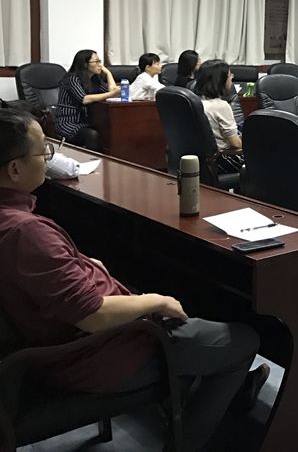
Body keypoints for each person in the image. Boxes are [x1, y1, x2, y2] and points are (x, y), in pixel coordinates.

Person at [0, 109, 268, 450]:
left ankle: (222, 392)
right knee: (243, 339)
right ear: (15, 169)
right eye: (43, 152)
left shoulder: (15, 222)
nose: (49, 158)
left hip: (71, 340)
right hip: (98, 354)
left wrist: (84, 265)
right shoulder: (25, 233)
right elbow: (93, 316)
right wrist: (157, 302)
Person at [55, 49, 121, 151]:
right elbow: (84, 99)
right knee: (92, 135)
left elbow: (112, 91)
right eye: (96, 62)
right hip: (68, 123)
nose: (100, 65)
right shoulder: (72, 78)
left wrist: (108, 73)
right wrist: (110, 94)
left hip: (86, 121)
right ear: (85, 64)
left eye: (100, 61)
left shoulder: (94, 79)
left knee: (108, 132)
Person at [195, 60, 243, 173]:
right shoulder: (221, 106)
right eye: (230, 75)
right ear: (221, 80)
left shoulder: (195, 102)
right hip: (222, 159)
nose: (231, 78)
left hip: (201, 160)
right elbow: (236, 144)